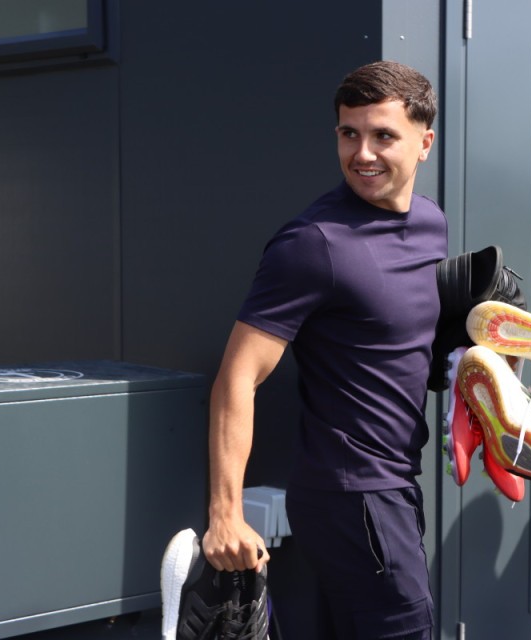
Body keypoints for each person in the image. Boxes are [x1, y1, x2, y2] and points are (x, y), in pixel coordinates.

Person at [202, 60, 445, 640]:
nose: (362, 153)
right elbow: (238, 377)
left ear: (424, 143)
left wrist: (477, 355)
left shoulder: (431, 223)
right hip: (350, 493)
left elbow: (405, 343)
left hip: (397, 481)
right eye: (348, 133)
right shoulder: (313, 244)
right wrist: (224, 513)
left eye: (383, 135)